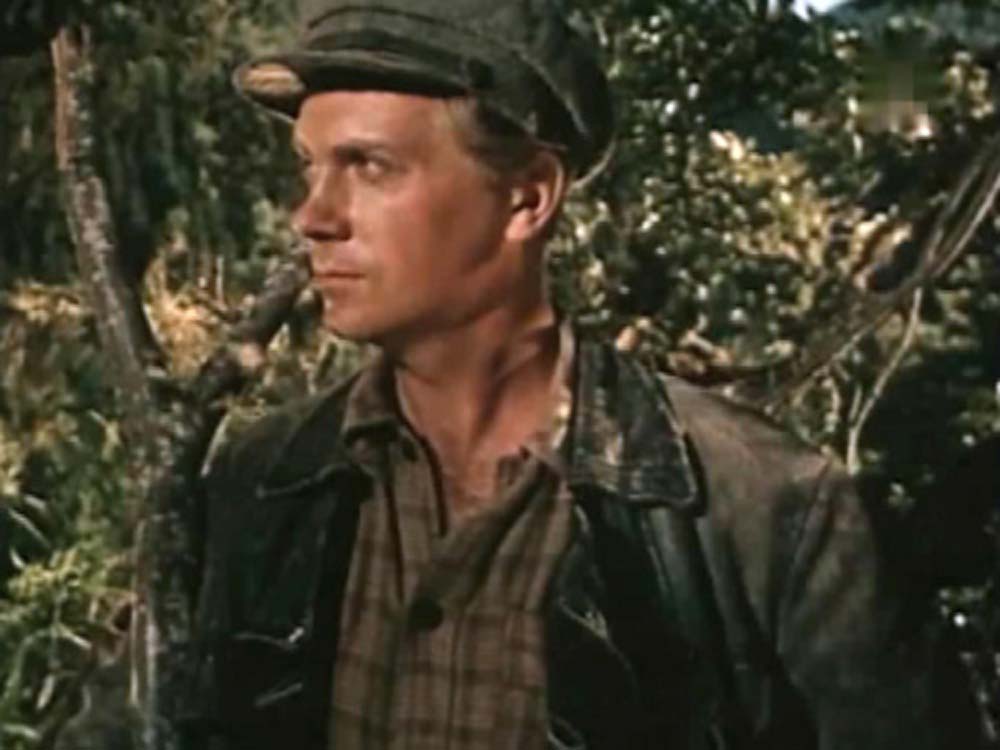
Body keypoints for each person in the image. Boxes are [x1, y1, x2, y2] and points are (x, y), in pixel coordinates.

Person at [182, 0, 977, 748]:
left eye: (369, 166)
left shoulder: (773, 517)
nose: (313, 216)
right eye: (311, 168)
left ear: (527, 199)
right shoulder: (258, 486)